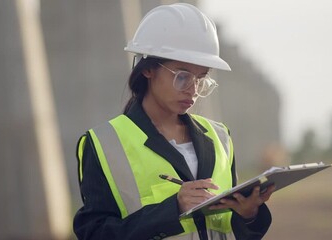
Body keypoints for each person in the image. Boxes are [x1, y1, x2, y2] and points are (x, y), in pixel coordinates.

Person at [73, 3, 274, 240]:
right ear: (148, 69)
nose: (193, 90)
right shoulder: (104, 144)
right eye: (182, 77)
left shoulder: (220, 138)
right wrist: (172, 209)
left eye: (200, 79)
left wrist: (248, 214)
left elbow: (229, 229)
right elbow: (94, 233)